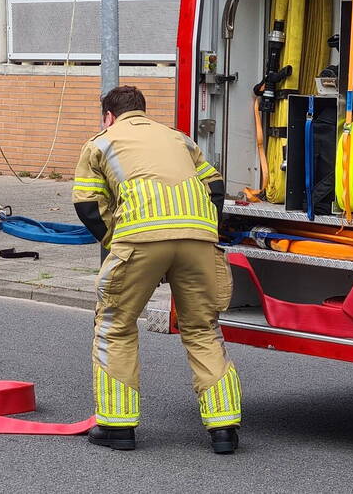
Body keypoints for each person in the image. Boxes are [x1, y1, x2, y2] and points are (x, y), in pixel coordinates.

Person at [72, 85, 241, 454]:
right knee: (203, 328)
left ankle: (117, 427)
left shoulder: (100, 142)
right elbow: (216, 186)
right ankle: (224, 427)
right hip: (199, 239)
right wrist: (197, 231)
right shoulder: (179, 138)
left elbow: (86, 205)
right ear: (143, 112)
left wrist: (118, 243)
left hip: (139, 240)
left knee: (114, 325)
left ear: (108, 116)